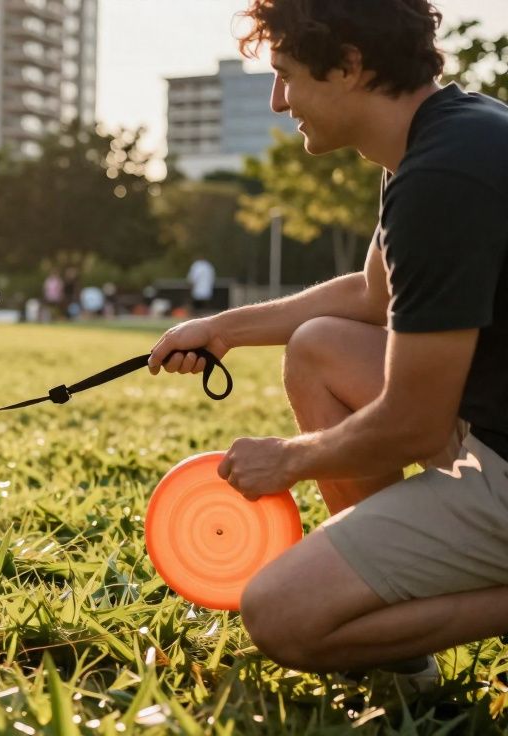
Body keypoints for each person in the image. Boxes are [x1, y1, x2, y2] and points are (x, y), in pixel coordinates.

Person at [148, 0, 507, 685]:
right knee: (319, 348)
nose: (279, 101)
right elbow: (374, 295)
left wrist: (287, 460)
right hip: (493, 429)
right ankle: (399, 646)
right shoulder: (443, 136)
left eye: (286, 75)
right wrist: (223, 330)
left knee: (281, 613)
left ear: (348, 66)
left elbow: (413, 423)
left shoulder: (442, 179)